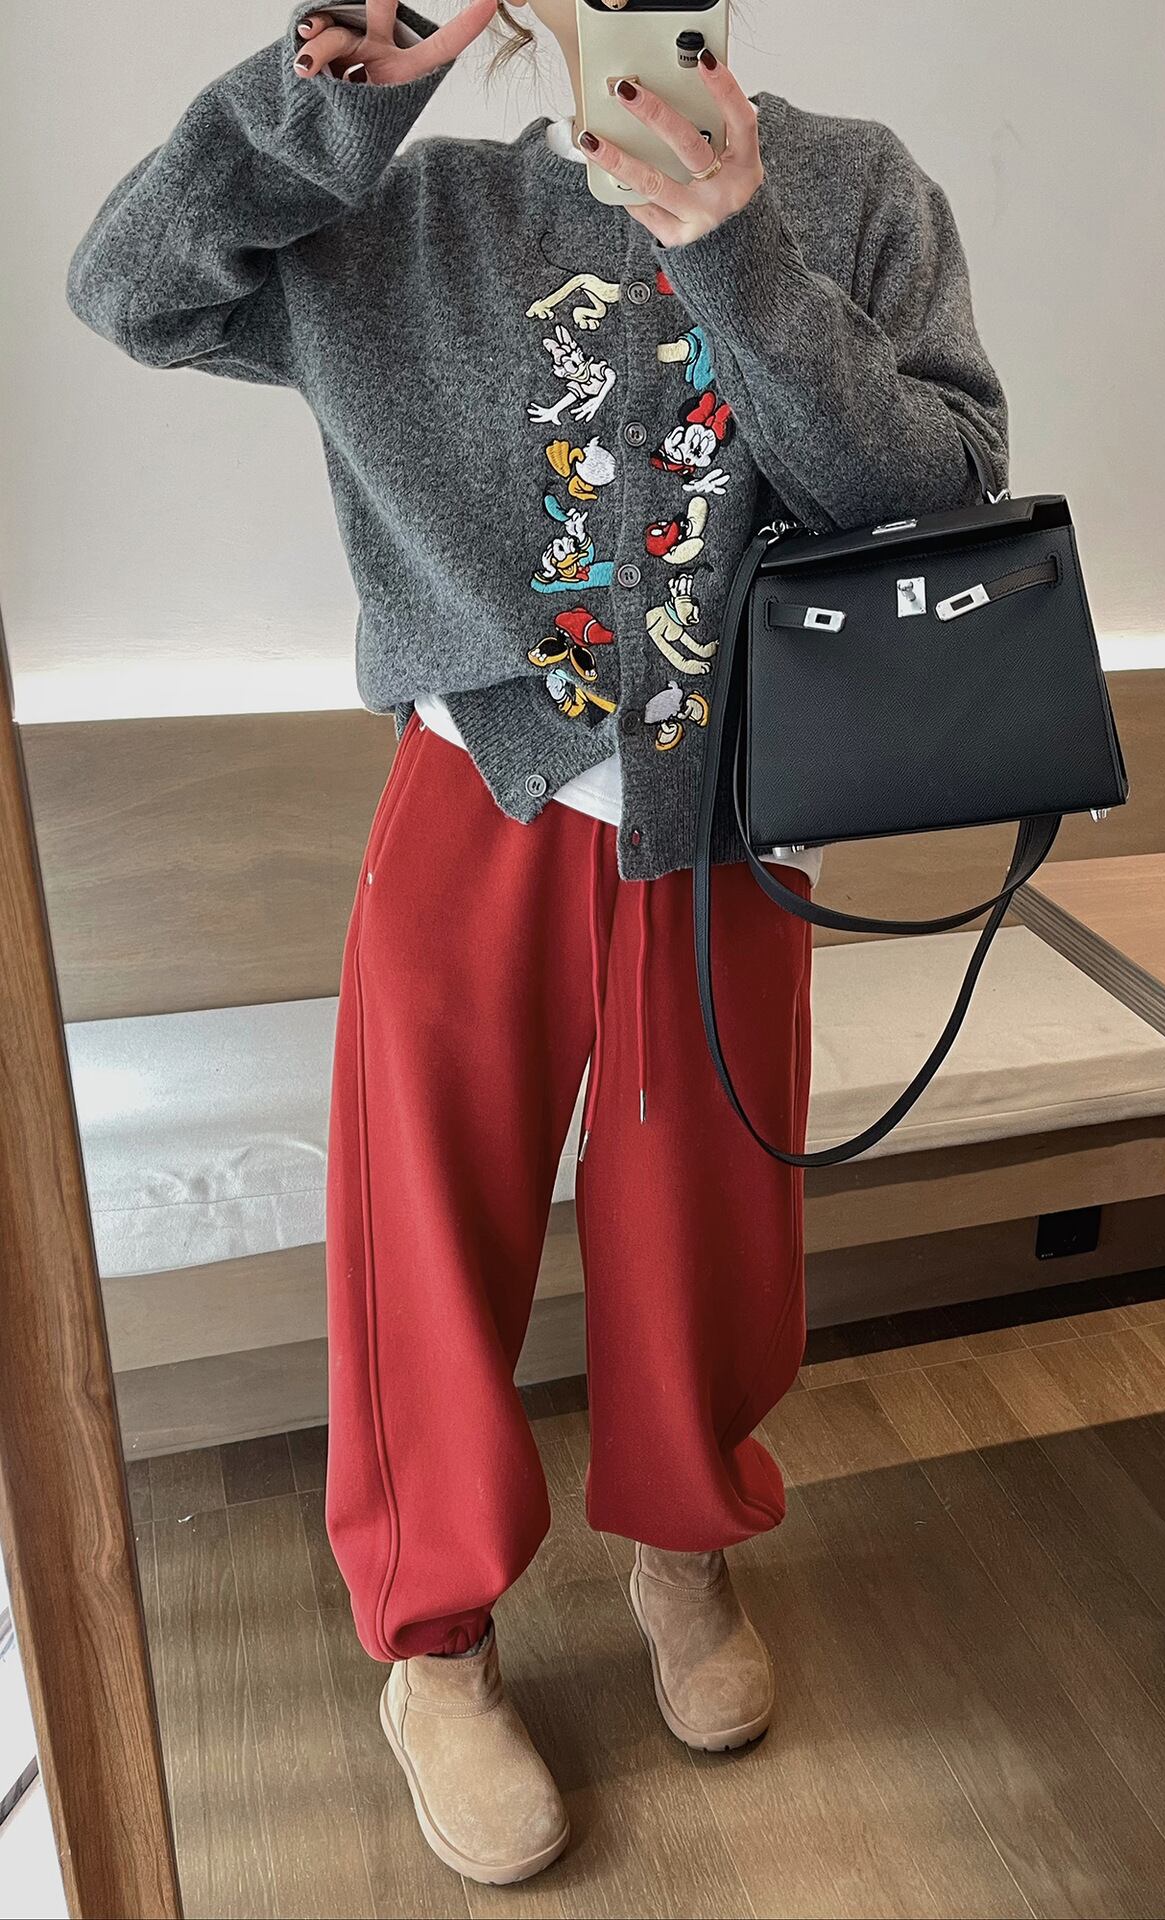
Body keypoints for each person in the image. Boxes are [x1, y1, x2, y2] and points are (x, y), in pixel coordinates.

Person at [68, 0, 1006, 1885]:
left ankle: (685, 1548)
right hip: (475, 793)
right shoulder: (402, 213)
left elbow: (939, 492)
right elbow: (133, 289)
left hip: (734, 805)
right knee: (424, 1233)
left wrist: (738, 249)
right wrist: (346, 83)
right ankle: (434, 1647)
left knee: (713, 1223)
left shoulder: (853, 187)